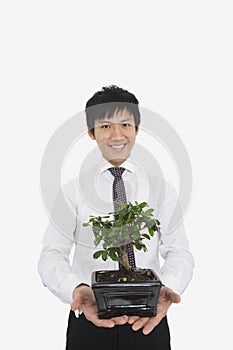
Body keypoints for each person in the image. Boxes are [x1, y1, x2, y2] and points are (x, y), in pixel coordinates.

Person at [38, 85, 194, 350]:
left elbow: (179, 251)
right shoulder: (73, 191)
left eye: (125, 124)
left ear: (136, 129)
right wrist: (76, 289)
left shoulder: (160, 189)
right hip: (89, 318)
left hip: (149, 320)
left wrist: (166, 288)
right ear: (92, 133)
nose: (117, 134)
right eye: (106, 126)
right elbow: (51, 254)